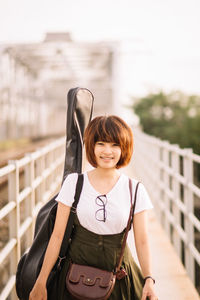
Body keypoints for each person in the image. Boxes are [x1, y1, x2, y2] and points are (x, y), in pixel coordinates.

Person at [29, 115, 158, 300]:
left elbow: (142, 241)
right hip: (73, 279)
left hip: (118, 281)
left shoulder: (135, 189)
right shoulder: (74, 183)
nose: (107, 151)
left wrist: (149, 280)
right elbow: (57, 236)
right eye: (101, 143)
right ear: (91, 145)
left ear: (125, 148)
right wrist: (41, 280)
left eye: (115, 145)